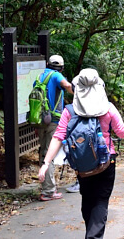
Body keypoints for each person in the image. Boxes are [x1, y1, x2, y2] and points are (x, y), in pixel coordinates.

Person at [38, 68, 124, 239]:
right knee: (100, 201)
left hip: (83, 165)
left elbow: (58, 136)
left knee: (87, 202)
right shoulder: (108, 108)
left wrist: (46, 163)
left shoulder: (70, 111)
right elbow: (122, 133)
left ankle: (91, 234)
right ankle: (93, 236)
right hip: (106, 163)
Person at [36, 54, 74, 202]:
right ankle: (48, 191)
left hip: (40, 119)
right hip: (53, 120)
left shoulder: (40, 76)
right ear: (62, 67)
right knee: (48, 154)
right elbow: (67, 86)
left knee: (43, 152)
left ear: (47, 63)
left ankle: (46, 186)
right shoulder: (57, 76)